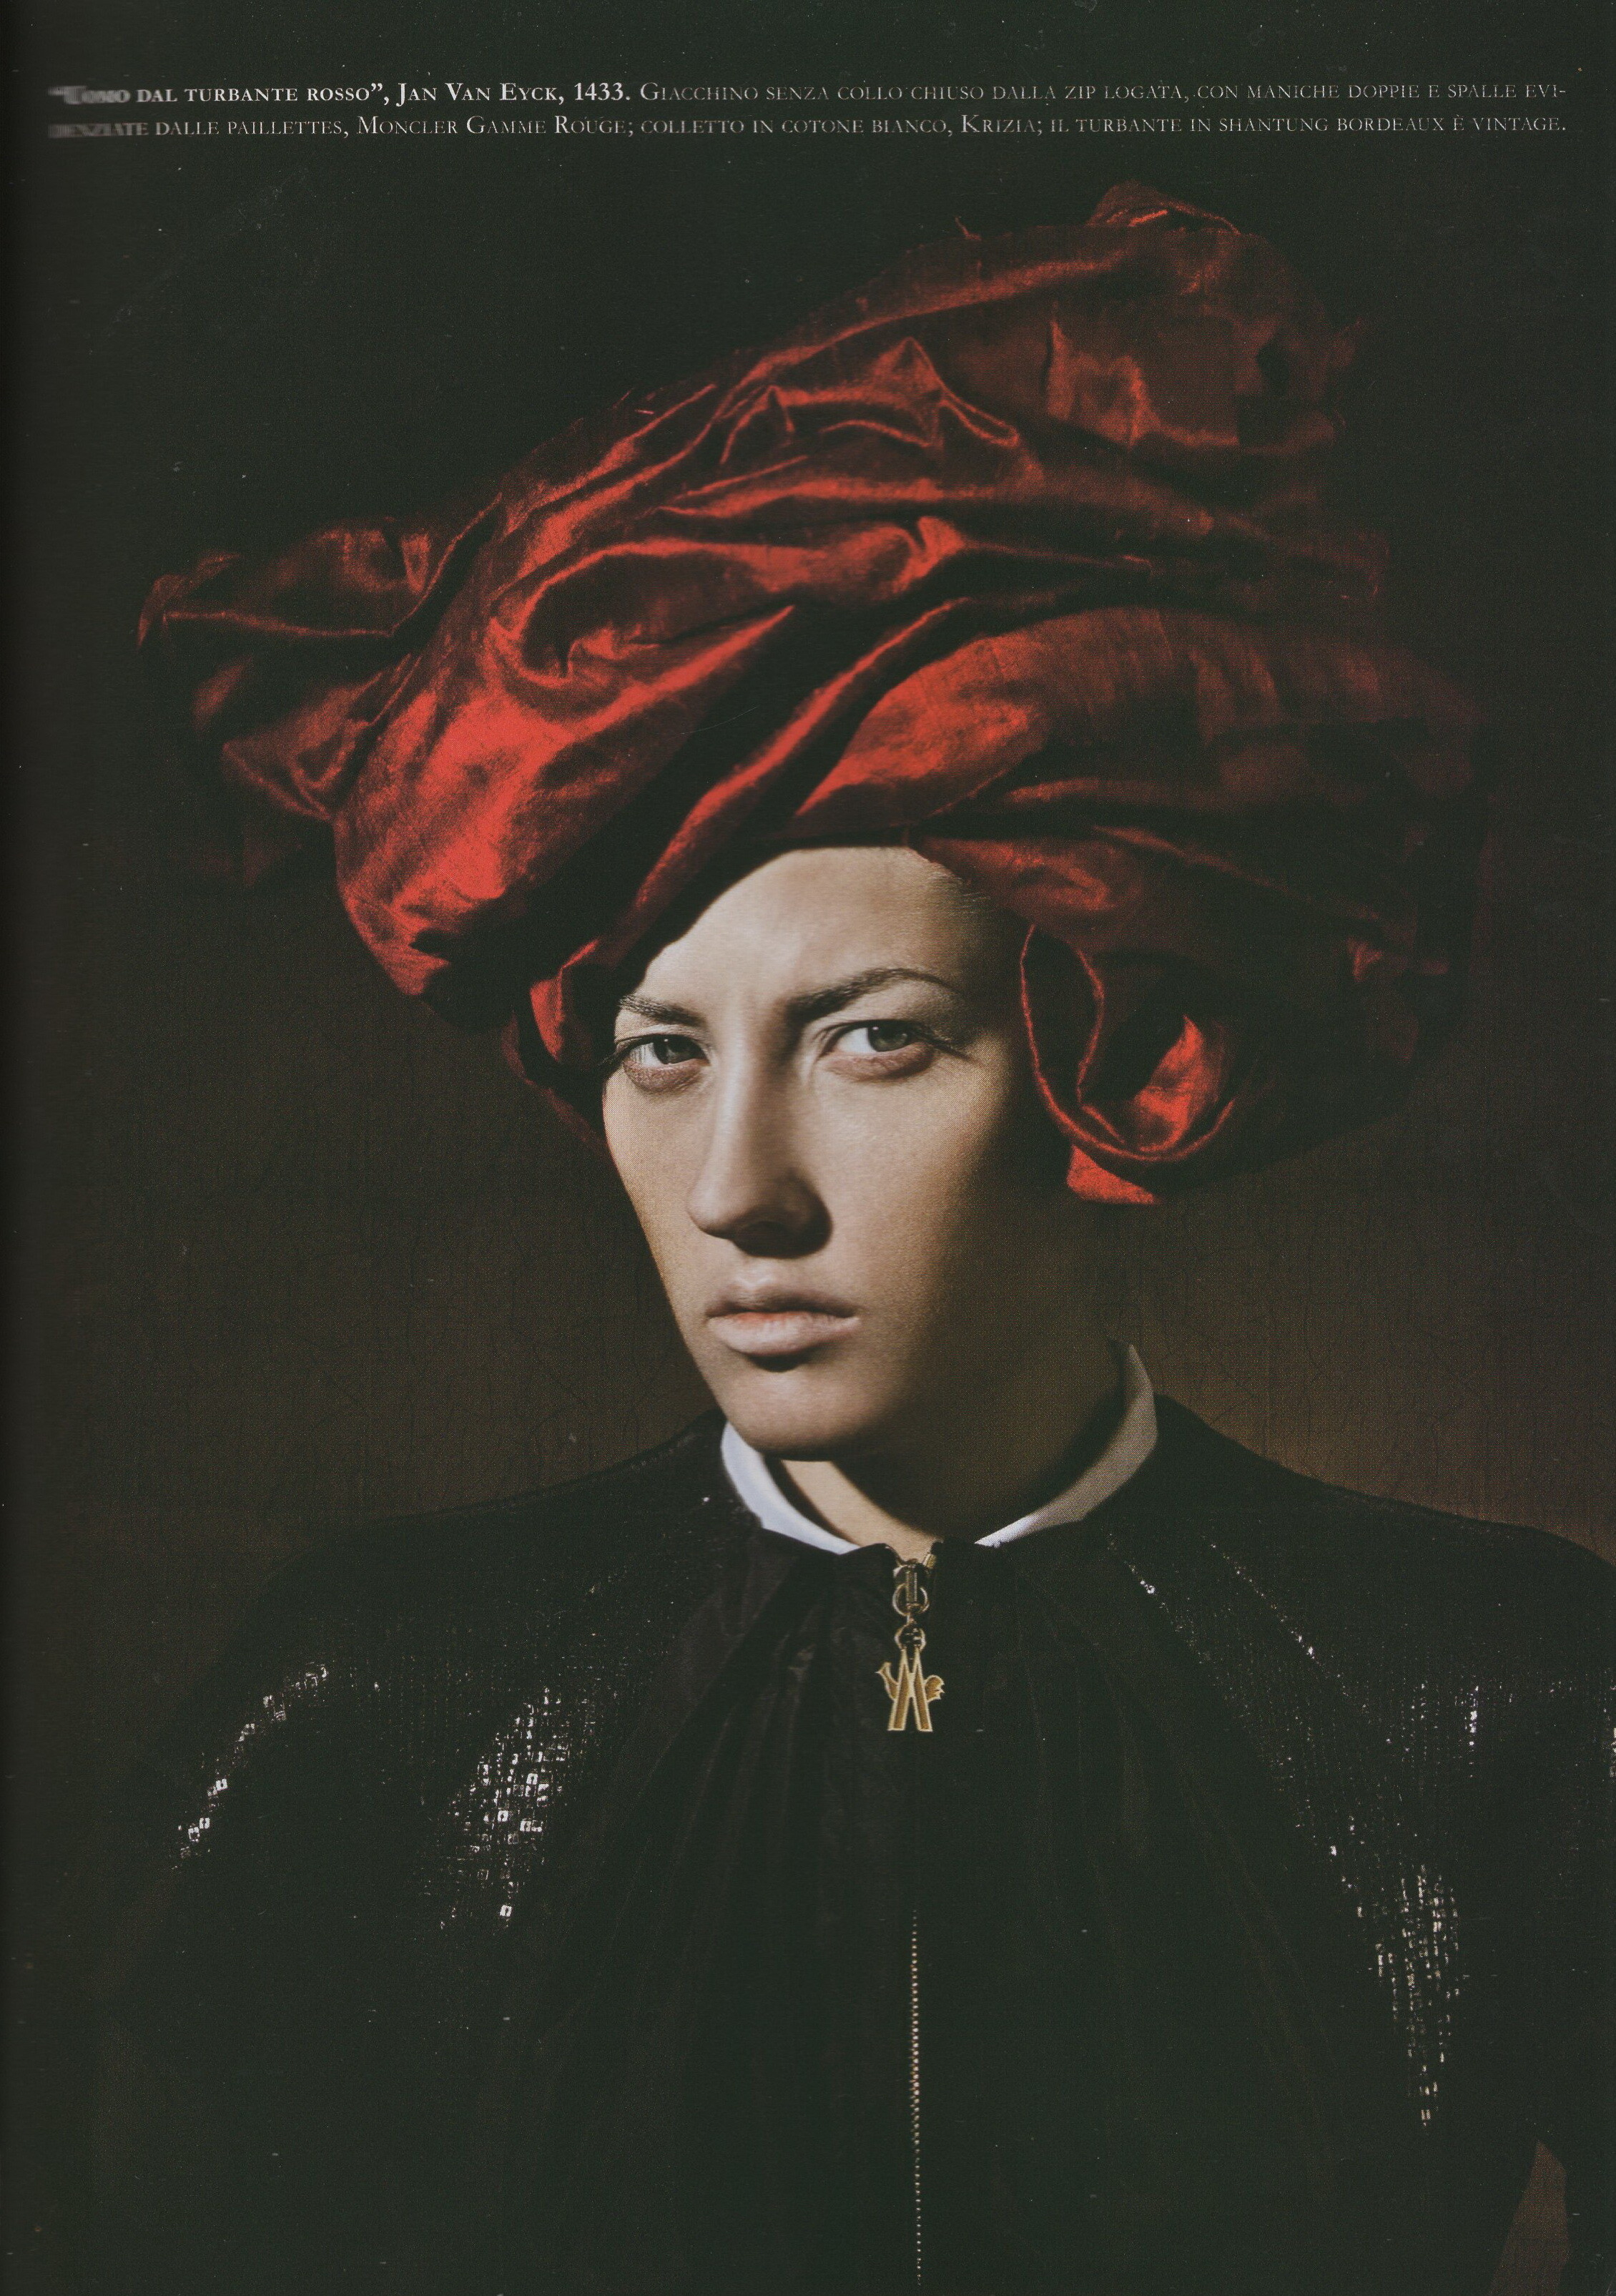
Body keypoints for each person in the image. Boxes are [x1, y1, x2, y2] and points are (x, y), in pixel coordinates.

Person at [101, 185, 1610, 2295]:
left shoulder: (1493, 1697)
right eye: (659, 1053)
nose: (739, 1183)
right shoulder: (368, 1692)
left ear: (1098, 1056)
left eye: (874, 1039)